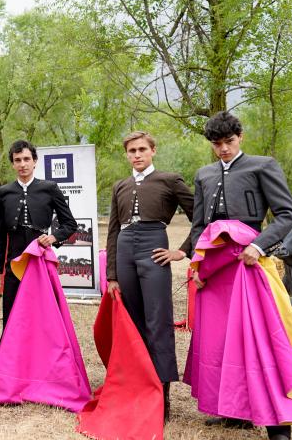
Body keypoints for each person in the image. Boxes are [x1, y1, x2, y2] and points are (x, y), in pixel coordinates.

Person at [190, 111, 292, 440]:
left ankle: (276, 423)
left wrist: (260, 245)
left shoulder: (263, 165)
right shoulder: (204, 174)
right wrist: (197, 264)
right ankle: (235, 411)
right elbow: (199, 225)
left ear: (241, 137)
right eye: (217, 143)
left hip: (246, 260)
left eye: (229, 141)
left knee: (258, 339)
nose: (223, 148)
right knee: (220, 341)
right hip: (214, 265)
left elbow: (286, 214)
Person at [105, 131, 194, 422]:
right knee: (132, 323)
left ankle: (162, 394)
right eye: (132, 151)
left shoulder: (169, 180)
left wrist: (181, 251)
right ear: (127, 154)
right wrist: (112, 274)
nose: (137, 155)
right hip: (124, 249)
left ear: (153, 150)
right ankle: (137, 389)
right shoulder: (120, 185)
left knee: (158, 320)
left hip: (153, 245)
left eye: (142, 149)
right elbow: (113, 230)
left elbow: (201, 216)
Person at [0, 140, 77, 328]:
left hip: (40, 259)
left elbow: (70, 224)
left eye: (26, 159)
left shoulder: (49, 188)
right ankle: (12, 357)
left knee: (43, 312)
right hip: (14, 260)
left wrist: (53, 237)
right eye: (18, 160)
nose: (22, 164)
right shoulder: (4, 192)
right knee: (12, 313)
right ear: (12, 163)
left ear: (35, 161)